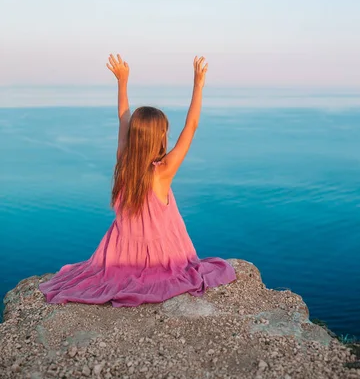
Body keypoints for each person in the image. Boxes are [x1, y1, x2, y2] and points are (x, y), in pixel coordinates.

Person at [38, 54, 236, 307]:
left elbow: (123, 116)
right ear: (160, 136)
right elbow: (192, 126)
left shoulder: (123, 161)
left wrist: (122, 81)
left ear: (134, 135)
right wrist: (198, 85)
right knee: (220, 268)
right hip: (163, 255)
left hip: (120, 253)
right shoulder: (163, 171)